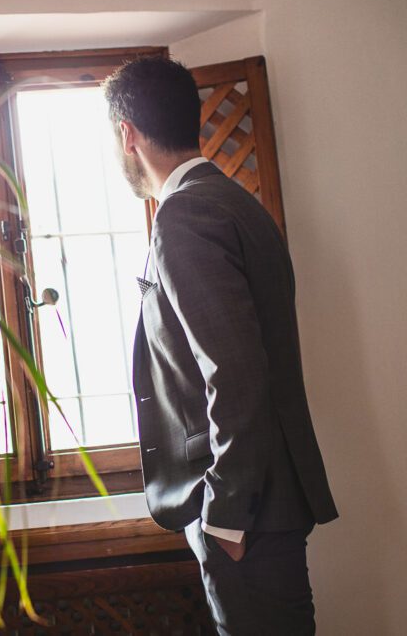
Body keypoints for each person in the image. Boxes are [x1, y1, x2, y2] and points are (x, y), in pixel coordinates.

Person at [103, 56, 338, 635]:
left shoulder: (185, 216)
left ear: (126, 135)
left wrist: (225, 518)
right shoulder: (237, 203)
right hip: (268, 505)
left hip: (247, 517)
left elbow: (235, 375)